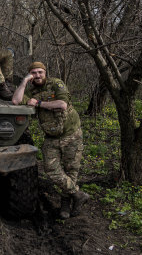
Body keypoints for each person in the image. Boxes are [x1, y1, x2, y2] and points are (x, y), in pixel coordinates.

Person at [12, 61, 90, 219]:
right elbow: (15, 100)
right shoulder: (30, 89)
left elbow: (62, 104)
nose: (37, 75)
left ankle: (66, 206)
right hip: (52, 136)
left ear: (45, 72)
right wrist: (24, 81)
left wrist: (39, 103)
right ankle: (78, 194)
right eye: (33, 73)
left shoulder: (56, 84)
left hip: (71, 133)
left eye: (40, 72)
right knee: (51, 169)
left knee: (71, 171)